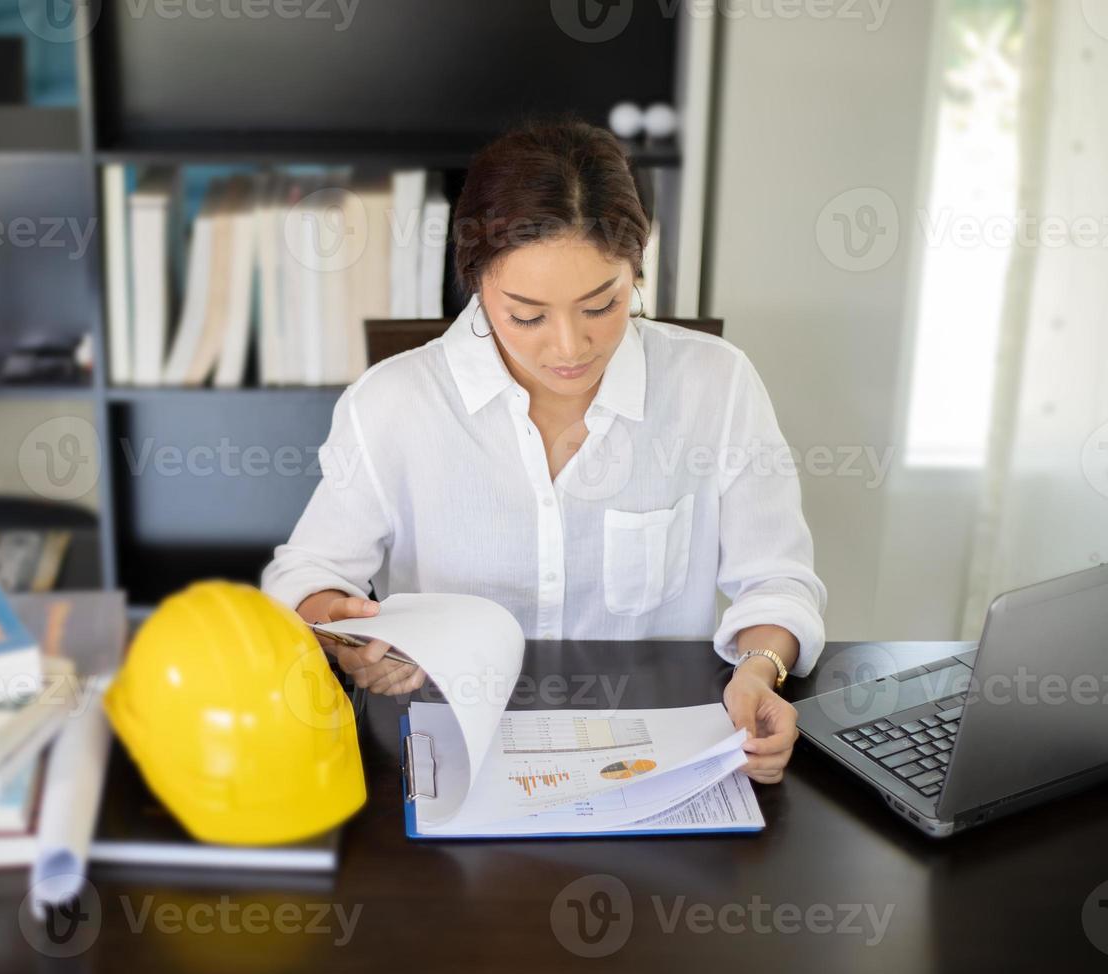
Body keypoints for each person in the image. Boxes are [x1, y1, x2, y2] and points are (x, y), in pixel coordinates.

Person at [261, 119, 827, 783]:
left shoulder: (716, 385)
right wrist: (343, 634)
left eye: (602, 304)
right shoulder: (392, 403)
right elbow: (303, 575)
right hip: (456, 754)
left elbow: (776, 581)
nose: (569, 347)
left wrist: (761, 670)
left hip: (651, 755)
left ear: (636, 269)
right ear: (476, 284)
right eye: (527, 315)